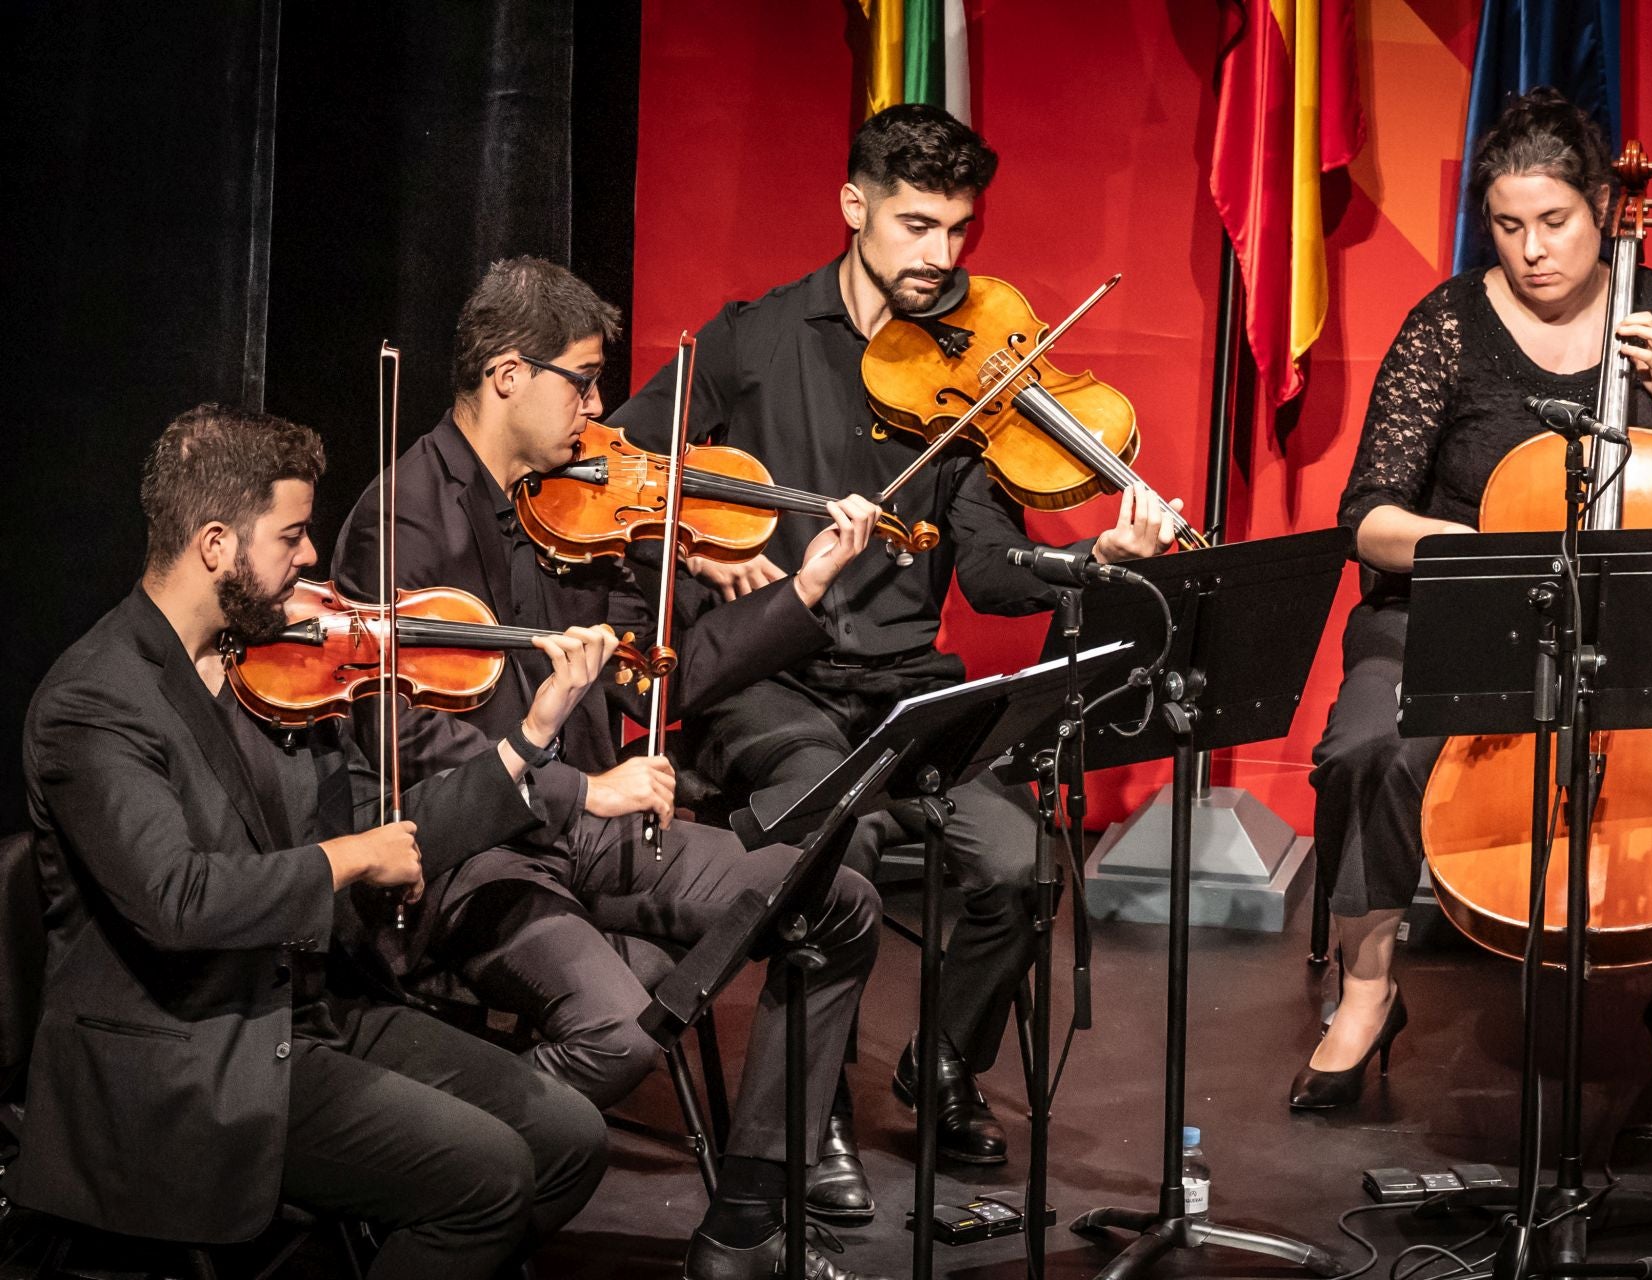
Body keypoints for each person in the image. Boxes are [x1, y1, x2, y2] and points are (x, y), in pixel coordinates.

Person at [606, 103, 1180, 1217]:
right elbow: (624, 471)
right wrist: (699, 552)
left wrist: (1091, 556)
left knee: (1021, 866)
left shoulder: (963, 372)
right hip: (776, 680)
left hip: (909, 688)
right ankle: (810, 1111)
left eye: (958, 232)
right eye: (917, 225)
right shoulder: (750, 341)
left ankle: (943, 1062)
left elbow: (989, 570)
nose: (941, 258)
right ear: (854, 206)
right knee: (842, 850)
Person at [333, 256, 894, 1280]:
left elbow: (653, 685)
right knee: (619, 1032)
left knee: (838, 895)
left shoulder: (579, 509)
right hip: (484, 852)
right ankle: (453, 1170)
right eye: (582, 382)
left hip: (603, 831)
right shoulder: (402, 515)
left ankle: (744, 1226)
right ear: (507, 374)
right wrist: (579, 788)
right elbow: (408, 753)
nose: (601, 409)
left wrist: (799, 595)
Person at [1295, 88, 1652, 1113]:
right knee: (1365, 749)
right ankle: (1366, 991)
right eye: (1507, 224)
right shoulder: (1447, 326)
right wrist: (1494, 546)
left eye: (1555, 221)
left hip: (1642, 617)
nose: (1532, 249)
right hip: (1458, 608)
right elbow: (1369, 514)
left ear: (1599, 211)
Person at [14, 404, 613, 1276]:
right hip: (193, 1057)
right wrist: (349, 859)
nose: (310, 560)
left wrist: (524, 742)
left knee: (569, 1136)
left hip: (307, 1012)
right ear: (215, 544)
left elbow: (387, 836)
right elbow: (179, 900)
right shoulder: (95, 701)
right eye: (292, 536)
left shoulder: (263, 673)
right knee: (485, 1180)